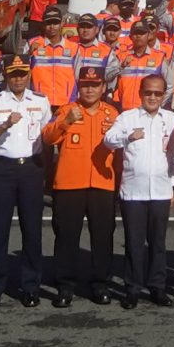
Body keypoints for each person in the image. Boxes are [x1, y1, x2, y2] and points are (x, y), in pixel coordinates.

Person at [0, 55, 52, 309]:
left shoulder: (40, 101)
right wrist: (5, 125)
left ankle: (30, 286)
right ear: (6, 76)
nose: (18, 78)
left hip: (30, 168)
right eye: (13, 74)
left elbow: (47, 135)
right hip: (3, 169)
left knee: (32, 231)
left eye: (22, 73)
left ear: (29, 74)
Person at [40, 65, 121, 306]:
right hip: (69, 184)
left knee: (103, 237)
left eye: (94, 85)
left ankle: (100, 284)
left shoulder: (112, 114)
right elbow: (48, 137)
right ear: (79, 86)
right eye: (85, 85)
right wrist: (65, 122)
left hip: (102, 183)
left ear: (103, 87)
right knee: (66, 237)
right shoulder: (67, 110)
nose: (89, 90)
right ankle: (65, 285)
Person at [104, 67, 174, 308]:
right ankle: (132, 288)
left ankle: (158, 287)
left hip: (160, 191)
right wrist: (128, 137)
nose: (153, 97)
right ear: (140, 93)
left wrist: (173, 186)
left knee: (158, 243)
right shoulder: (127, 118)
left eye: (157, 94)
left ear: (164, 96)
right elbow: (108, 140)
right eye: (148, 92)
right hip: (133, 191)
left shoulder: (171, 119)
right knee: (134, 243)